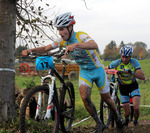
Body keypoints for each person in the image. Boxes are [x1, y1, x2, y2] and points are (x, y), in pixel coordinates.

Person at [22, 12, 123, 133]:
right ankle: (99, 123)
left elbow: (94, 44)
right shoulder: (61, 41)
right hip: (85, 72)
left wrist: (76, 45)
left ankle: (118, 117)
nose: (59, 32)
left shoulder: (81, 36)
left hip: (98, 70)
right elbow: (45, 49)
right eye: (58, 29)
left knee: (107, 99)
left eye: (62, 29)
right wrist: (30, 50)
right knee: (85, 98)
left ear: (70, 27)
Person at [105, 45, 145, 126]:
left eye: (127, 57)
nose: (125, 59)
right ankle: (126, 119)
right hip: (123, 87)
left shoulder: (134, 62)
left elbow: (143, 77)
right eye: (123, 57)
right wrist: (114, 71)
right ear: (121, 56)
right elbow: (105, 69)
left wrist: (132, 73)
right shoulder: (116, 63)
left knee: (136, 108)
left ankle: (136, 121)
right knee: (127, 112)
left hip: (133, 86)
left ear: (130, 56)